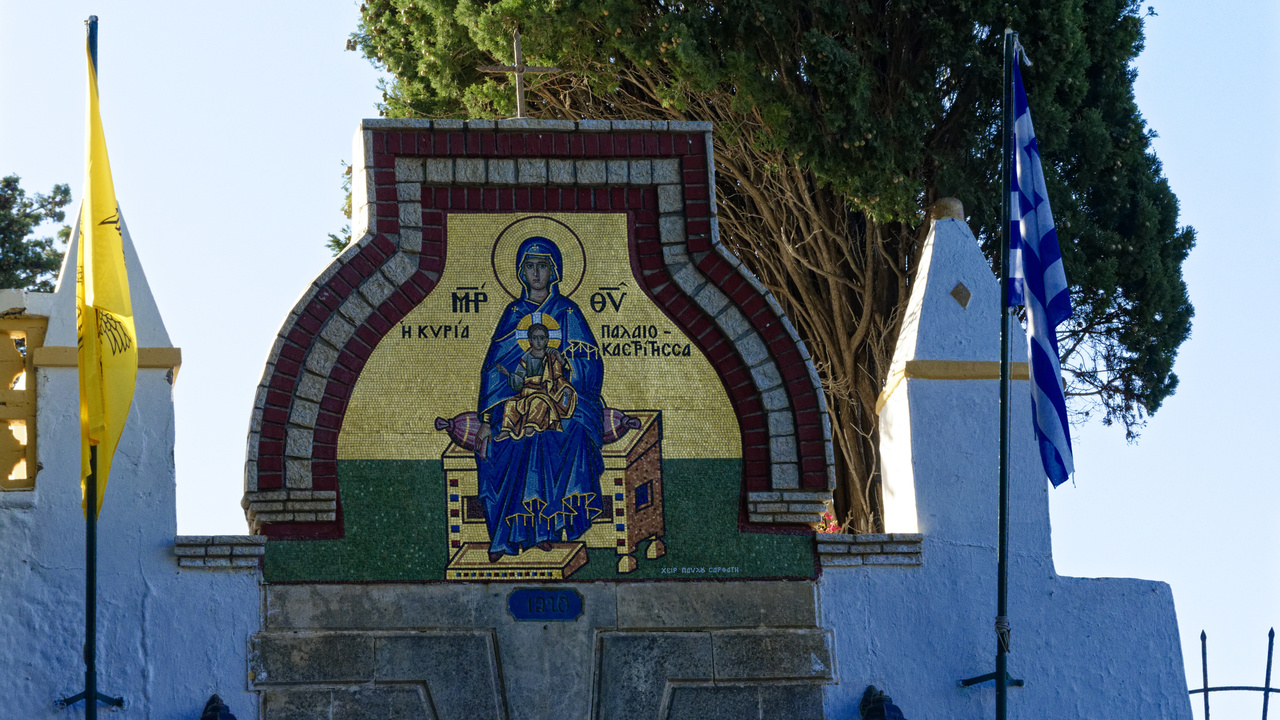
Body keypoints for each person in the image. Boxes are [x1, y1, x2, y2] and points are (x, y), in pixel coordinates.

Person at [476, 237, 604, 562]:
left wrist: (567, 368)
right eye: (530, 266)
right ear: (521, 272)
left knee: (564, 435)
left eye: (542, 266)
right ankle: (509, 536)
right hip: (521, 404)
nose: (536, 273)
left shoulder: (567, 312)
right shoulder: (514, 313)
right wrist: (487, 421)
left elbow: (590, 362)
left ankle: (549, 528)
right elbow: (495, 368)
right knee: (503, 444)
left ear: (554, 271)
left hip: (563, 402)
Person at [493, 323, 577, 441]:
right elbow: (519, 380)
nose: (538, 342)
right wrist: (508, 374)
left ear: (547, 340)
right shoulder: (526, 357)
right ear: (530, 340)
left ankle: (532, 425)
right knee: (511, 404)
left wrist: (560, 360)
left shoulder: (552, 357)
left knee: (538, 402)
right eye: (535, 338)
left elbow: (559, 377)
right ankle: (507, 430)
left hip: (544, 392)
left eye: (542, 338)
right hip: (526, 393)